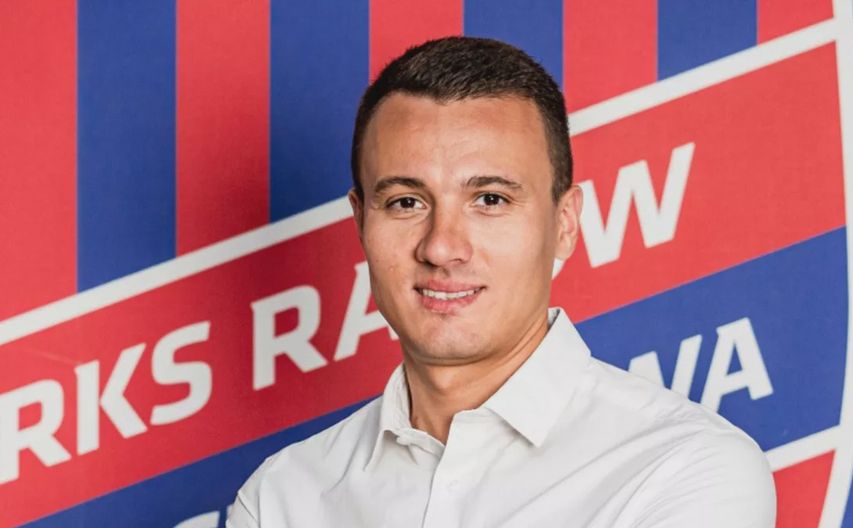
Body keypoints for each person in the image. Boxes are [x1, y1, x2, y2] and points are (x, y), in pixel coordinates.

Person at [227, 36, 775, 527]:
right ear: (361, 223)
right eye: (406, 202)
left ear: (564, 225)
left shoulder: (685, 468)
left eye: (490, 199)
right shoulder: (282, 497)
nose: (442, 247)